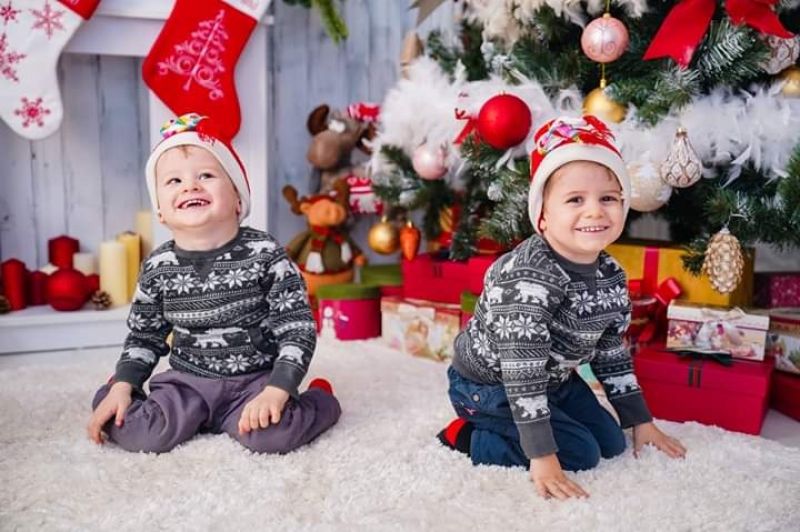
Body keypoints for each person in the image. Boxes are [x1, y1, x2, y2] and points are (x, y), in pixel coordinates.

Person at [436, 115, 686, 500]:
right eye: (575, 200)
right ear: (542, 216)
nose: (595, 212)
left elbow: (611, 351)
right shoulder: (527, 279)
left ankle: (555, 419)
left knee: (611, 443)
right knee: (580, 454)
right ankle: (469, 436)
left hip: (554, 380)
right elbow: (521, 371)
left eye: (608, 198)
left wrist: (641, 420)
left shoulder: (610, 274)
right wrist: (541, 454)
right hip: (491, 385)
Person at [87, 113, 341, 454]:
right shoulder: (158, 267)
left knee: (274, 437)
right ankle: (116, 392)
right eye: (173, 181)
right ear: (160, 211)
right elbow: (144, 335)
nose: (190, 186)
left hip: (253, 382)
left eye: (206, 175)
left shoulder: (265, 253)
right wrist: (124, 383)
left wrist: (278, 388)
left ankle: (320, 398)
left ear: (238, 199)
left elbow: (296, 327)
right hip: (186, 383)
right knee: (141, 434)